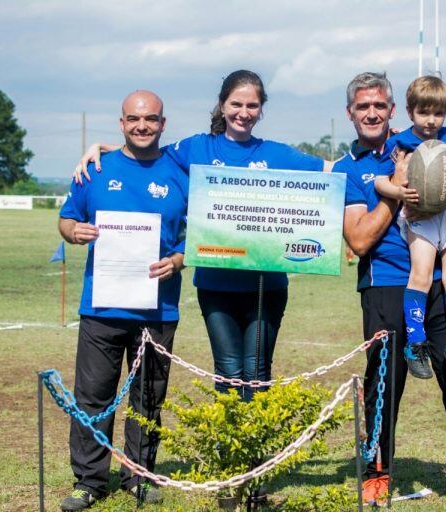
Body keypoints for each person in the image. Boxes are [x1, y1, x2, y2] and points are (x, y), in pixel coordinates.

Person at [75, 71, 328, 409]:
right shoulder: (195, 148)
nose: (244, 112)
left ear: (261, 110)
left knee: (257, 372)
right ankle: (231, 456)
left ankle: (257, 454)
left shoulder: (277, 153)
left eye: (252, 105)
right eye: (236, 104)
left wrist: (385, 145)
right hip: (215, 283)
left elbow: (332, 170)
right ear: (222, 105)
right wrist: (100, 148)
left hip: (265, 287)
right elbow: (143, 148)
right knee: (227, 371)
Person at [336, 72, 446, 510]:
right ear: (350, 113)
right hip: (385, 285)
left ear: (391, 111)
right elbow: (360, 241)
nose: (371, 113)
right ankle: (377, 474)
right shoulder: (352, 169)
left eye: (378, 105)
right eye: (362, 107)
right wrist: (398, 194)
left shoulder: (426, 143)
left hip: (442, 282)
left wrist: (434, 195)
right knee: (384, 383)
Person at [57, 91, 188, 511]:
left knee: (148, 398)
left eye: (150, 119)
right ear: (121, 123)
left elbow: (198, 232)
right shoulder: (95, 169)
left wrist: (179, 258)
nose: (142, 126)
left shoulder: (180, 170)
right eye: (133, 118)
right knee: (93, 396)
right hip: (101, 307)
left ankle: (140, 475)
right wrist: (72, 232)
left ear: (163, 123)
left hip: (158, 308)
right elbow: (66, 217)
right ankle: (89, 480)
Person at [372, 76, 446, 383]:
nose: (431, 121)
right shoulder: (399, 141)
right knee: (421, 274)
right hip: (420, 216)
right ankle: (415, 344)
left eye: (438, 113)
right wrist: (399, 192)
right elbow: (380, 180)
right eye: (424, 113)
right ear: (409, 111)